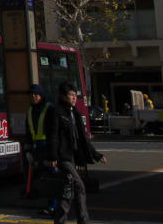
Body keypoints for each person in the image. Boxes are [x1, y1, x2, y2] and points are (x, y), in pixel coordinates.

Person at [46, 83, 106, 224]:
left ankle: (60, 220)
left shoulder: (74, 112)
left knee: (68, 189)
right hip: (63, 156)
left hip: (73, 155)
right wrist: (53, 156)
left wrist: (97, 155)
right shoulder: (56, 112)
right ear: (62, 96)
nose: (74, 98)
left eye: (75, 95)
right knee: (79, 186)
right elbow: (53, 135)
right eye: (71, 95)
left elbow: (83, 138)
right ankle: (83, 220)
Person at [26, 84, 57, 216]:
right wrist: (27, 150)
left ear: (41, 95)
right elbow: (28, 131)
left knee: (53, 177)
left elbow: (53, 131)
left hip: (48, 147)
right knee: (45, 178)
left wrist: (53, 153)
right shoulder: (30, 111)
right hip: (37, 148)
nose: (33, 97)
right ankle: (50, 205)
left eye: (36, 94)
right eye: (31, 95)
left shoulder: (49, 109)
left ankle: (55, 205)